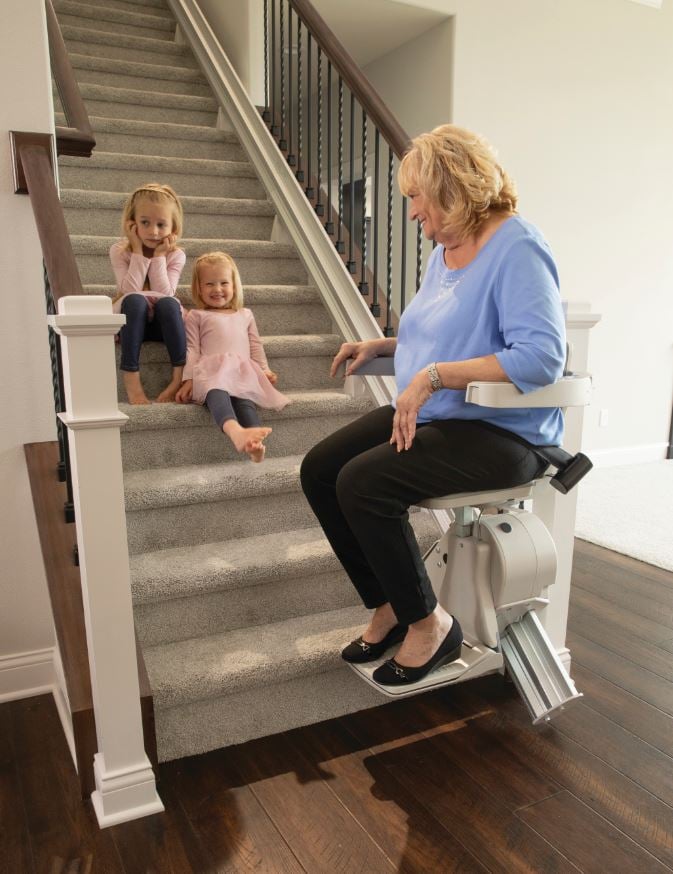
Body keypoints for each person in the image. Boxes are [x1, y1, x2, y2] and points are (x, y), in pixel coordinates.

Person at [300, 124, 566, 687]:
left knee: (363, 482)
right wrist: (389, 347)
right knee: (321, 470)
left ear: (450, 187)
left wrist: (434, 375)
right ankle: (392, 603)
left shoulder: (517, 246)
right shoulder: (444, 253)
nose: (413, 211)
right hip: (446, 417)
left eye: (417, 196)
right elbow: (452, 335)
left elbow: (541, 356)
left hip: (506, 434)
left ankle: (430, 626)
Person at [175, 251, 289, 463]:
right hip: (212, 371)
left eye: (223, 283)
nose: (217, 289)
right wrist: (188, 379)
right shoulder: (196, 316)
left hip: (241, 370)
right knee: (217, 393)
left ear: (234, 285)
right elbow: (192, 349)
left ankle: (254, 444)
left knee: (245, 401)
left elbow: (255, 344)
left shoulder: (245, 314)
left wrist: (264, 369)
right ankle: (235, 431)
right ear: (198, 288)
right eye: (209, 284)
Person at [110, 183, 187, 404]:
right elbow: (128, 291)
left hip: (164, 325)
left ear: (173, 229)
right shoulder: (119, 251)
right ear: (132, 223)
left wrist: (159, 256)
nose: (153, 231)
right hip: (132, 325)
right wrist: (137, 251)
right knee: (135, 300)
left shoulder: (176, 255)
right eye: (145, 223)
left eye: (161, 224)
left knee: (169, 304)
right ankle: (132, 381)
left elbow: (165, 293)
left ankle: (177, 379)